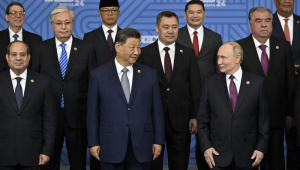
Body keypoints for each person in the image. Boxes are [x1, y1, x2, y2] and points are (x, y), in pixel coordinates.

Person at [87, 28, 165, 170]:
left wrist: (159, 141)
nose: (136, 52)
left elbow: (157, 111)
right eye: (132, 47)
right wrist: (93, 142)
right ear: (118, 46)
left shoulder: (150, 74)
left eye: (139, 47)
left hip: (142, 144)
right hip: (110, 144)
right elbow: (93, 113)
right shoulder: (98, 75)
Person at [31, 5, 96, 170]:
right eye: (59, 23)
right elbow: (34, 84)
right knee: (49, 163)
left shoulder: (87, 49)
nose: (63, 27)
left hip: (78, 116)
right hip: (49, 117)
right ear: (52, 24)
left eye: (67, 22)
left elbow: (92, 84)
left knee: (78, 163)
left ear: (73, 23)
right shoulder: (40, 49)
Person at [138, 11, 201, 170]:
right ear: (157, 28)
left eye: (174, 27)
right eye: (166, 27)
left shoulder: (187, 53)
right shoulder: (144, 54)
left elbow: (195, 86)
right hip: (151, 119)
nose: (171, 31)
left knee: (179, 163)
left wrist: (194, 115)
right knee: (153, 164)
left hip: (181, 119)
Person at [236, 6, 296, 170]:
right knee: (249, 164)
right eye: (258, 21)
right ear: (250, 25)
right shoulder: (238, 47)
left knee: (275, 164)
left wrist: (289, 112)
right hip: (247, 120)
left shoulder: (283, 46)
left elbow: (290, 81)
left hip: (276, 118)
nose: (264, 25)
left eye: (268, 20)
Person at [198, 41, 269, 170]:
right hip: (217, 155)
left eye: (223, 57)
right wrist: (206, 147)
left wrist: (261, 148)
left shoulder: (257, 83)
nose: (219, 62)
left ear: (238, 58)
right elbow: (202, 120)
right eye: (218, 57)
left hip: (248, 155)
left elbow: (263, 120)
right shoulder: (210, 83)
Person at [176, 1, 222, 169]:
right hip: (181, 97)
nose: (195, 15)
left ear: (204, 14)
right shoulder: (176, 35)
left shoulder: (215, 37)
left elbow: (219, 69)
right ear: (185, 14)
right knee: (180, 144)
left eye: (198, 12)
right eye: (191, 12)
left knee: (207, 140)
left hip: (208, 97)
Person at [0, 41, 56, 169]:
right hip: (3, 153)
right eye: (14, 54)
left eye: (22, 54)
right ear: (7, 57)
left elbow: (49, 120)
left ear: (29, 57)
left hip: (34, 154)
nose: (18, 58)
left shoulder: (43, 82)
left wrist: (46, 150)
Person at [272, 1, 300, 169]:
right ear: (275, 2)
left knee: (295, 139)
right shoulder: (266, 21)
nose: (287, 1)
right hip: (273, 90)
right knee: (272, 143)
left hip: (298, 92)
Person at [0, 2, 42, 72]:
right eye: (14, 12)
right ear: (7, 17)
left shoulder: (36, 39)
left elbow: (37, 66)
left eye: (21, 13)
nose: (18, 16)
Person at [83, 0, 121, 67]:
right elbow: (85, 63)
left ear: (118, 13)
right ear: (99, 13)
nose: (110, 13)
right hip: (97, 77)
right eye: (106, 10)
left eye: (114, 10)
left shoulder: (127, 36)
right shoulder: (89, 37)